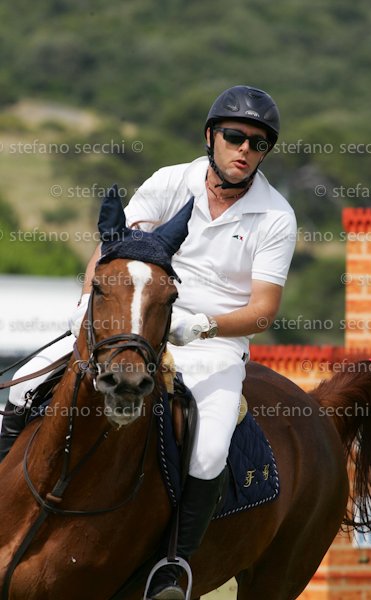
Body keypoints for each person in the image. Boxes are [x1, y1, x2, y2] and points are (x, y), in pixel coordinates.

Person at [0, 85, 297, 600]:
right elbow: (114, 251)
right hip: (130, 322)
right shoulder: (169, 181)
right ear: (211, 136)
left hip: (211, 344)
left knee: (209, 451)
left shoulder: (276, 216)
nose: (245, 149)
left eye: (259, 143)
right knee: (22, 386)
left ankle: (171, 566)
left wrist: (201, 326)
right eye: (235, 136)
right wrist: (88, 306)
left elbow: (264, 309)